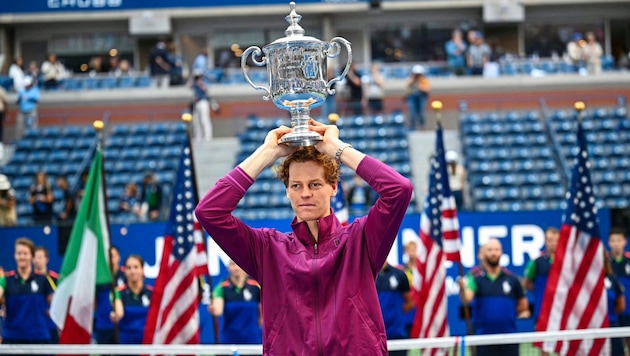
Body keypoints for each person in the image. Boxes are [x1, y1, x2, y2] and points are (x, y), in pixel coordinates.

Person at [194, 119, 414, 354]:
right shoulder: (267, 249)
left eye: (315, 184)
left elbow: (399, 190)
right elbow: (209, 212)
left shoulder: (360, 240)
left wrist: (335, 147)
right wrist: (268, 153)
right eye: (296, 185)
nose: (305, 193)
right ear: (287, 191)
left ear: (333, 187)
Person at [458, 238, 529, 356]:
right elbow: (466, 298)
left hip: (509, 340)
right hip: (483, 340)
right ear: (483, 254)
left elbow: (523, 306)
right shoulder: (474, 278)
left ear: (501, 252)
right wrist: (462, 288)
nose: (493, 253)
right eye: (490, 250)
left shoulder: (512, 279)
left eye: (496, 250)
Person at [0, 238, 55, 344]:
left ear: (32, 256)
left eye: (25, 253)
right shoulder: (6, 279)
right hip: (12, 338)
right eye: (18, 253)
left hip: (39, 337)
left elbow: (55, 305)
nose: (22, 257)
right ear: (14, 256)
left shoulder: (43, 279)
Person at [209, 260, 262, 346]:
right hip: (229, 340)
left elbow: (262, 315)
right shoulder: (221, 287)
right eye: (233, 265)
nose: (236, 268)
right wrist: (213, 310)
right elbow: (218, 310)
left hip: (252, 339)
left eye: (239, 265)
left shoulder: (256, 287)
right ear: (228, 268)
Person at [376, 261, 414, 356]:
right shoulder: (368, 275)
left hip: (396, 334)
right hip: (375, 336)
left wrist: (395, 315)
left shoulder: (399, 275)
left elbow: (409, 303)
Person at [524, 227, 559, 328]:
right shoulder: (536, 261)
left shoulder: (567, 261)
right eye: (549, 240)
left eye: (556, 240)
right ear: (545, 241)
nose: (553, 243)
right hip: (542, 312)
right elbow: (528, 282)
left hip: (563, 312)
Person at [117, 254, 152, 344]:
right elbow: (118, 313)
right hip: (126, 343)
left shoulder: (152, 293)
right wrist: (115, 316)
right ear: (125, 271)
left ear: (142, 269)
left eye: (136, 267)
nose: (132, 271)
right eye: (129, 268)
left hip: (147, 342)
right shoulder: (118, 292)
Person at [94, 246, 125, 346]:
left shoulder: (125, 276)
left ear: (119, 257)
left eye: (113, 256)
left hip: (122, 327)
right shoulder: (99, 279)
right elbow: (94, 302)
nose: (111, 259)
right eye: (108, 257)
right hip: (103, 326)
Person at [608, 228, 630, 353]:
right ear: (609, 242)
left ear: (624, 241)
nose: (616, 243)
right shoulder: (606, 263)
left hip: (629, 310)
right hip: (613, 313)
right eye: (613, 240)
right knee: (616, 348)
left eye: (619, 240)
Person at [33, 246, 60, 344]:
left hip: (51, 327)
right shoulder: (29, 280)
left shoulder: (56, 279)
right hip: (33, 327)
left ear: (46, 259)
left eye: (40, 257)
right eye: (35, 257)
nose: (37, 260)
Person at [604, 252, 626, 356]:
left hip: (612, 325)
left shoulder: (612, 279)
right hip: (593, 328)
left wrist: (611, 315)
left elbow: (621, 305)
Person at [405, 65, 430, 130]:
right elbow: (407, 85)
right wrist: (413, 79)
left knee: (421, 112)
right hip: (412, 97)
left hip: (421, 97)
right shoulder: (411, 79)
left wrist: (419, 84)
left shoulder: (424, 80)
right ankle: (413, 126)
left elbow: (426, 89)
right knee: (412, 113)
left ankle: (422, 126)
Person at [190, 71, 213, 141]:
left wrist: (200, 83)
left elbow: (206, 89)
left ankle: (208, 137)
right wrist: (192, 79)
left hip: (203, 102)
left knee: (204, 120)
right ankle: (198, 137)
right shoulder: (194, 84)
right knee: (196, 121)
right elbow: (188, 87)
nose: (197, 79)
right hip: (196, 104)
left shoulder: (203, 82)